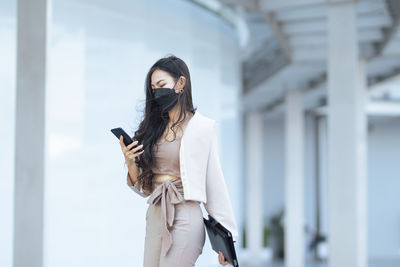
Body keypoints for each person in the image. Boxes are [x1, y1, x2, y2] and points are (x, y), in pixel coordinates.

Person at [119, 55, 238, 267]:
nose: (157, 92)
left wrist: (228, 240)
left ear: (181, 83)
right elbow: (145, 189)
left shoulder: (202, 128)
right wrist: (130, 162)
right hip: (156, 215)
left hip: (185, 215)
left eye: (162, 85)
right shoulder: (153, 130)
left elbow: (214, 183)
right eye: (153, 88)